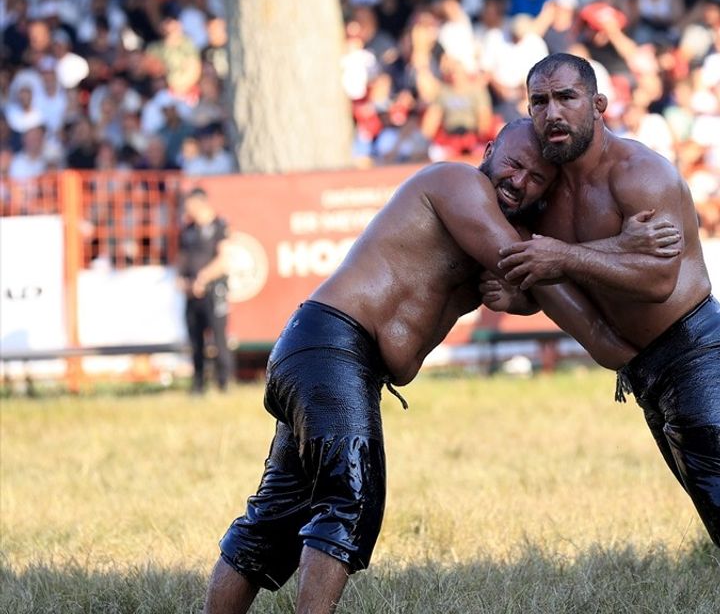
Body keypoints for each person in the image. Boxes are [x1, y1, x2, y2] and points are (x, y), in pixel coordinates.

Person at [202, 120, 674, 614]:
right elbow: (531, 265)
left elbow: (542, 283)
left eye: (537, 178)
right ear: (490, 150)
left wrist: (524, 296)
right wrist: (623, 248)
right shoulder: (457, 183)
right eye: (513, 164)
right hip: (331, 344)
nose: (519, 180)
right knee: (351, 499)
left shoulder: (509, 229)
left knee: (273, 519)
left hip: (327, 356)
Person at [493, 53, 720, 604]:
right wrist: (524, 290)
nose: (552, 112)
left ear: (598, 106)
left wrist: (565, 258)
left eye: (566, 98)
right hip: (646, 368)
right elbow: (559, 278)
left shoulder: (639, 172)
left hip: (701, 345)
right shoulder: (545, 195)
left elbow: (655, 280)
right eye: (539, 101)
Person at [178, 187, 234, 394]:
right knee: (195, 339)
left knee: (219, 337)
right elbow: (182, 258)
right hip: (192, 292)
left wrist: (202, 278)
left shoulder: (219, 226)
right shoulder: (188, 230)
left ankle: (223, 382)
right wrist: (182, 280)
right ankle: (198, 383)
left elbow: (223, 259)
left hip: (213, 290)